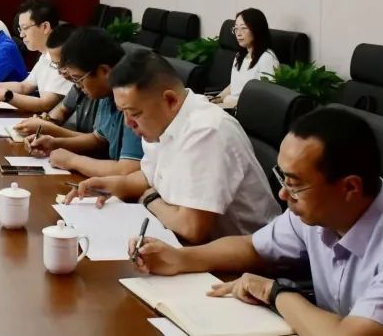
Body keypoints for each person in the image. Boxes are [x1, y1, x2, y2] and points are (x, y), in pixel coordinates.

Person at [131, 107, 383, 336]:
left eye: (294, 184)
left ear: (350, 188)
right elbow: (253, 247)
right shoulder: (319, 210)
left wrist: (276, 292)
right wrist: (180, 258)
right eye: (282, 178)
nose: (283, 194)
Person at [68, 49, 280, 243]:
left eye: (134, 113)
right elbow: (149, 177)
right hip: (191, 246)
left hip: (244, 261)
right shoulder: (160, 121)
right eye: (123, 112)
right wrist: (110, 186)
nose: (128, 123)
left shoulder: (207, 131)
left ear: (170, 100)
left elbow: (191, 228)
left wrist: (150, 198)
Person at [24, 27, 143, 177]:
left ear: (104, 71)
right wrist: (54, 143)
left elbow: (128, 169)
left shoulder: (135, 97)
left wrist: (73, 161)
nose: (78, 87)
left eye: (78, 79)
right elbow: (98, 140)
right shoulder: (106, 94)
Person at [0, 1, 73, 112]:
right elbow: (25, 86)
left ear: (45, 27)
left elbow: (46, 104)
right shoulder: (44, 56)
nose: (21, 34)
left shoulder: (62, 57)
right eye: (20, 29)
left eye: (25, 28)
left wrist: (3, 94)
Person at [212, 8, 279, 109]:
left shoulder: (267, 59)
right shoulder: (240, 55)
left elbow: (263, 99)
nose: (238, 33)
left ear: (257, 29)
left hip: (242, 110)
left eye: (243, 28)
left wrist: (220, 107)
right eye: (236, 28)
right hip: (227, 107)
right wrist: (215, 100)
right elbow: (233, 86)